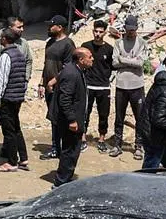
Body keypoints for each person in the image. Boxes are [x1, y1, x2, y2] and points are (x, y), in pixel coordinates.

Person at [0, 17, 32, 163]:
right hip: (6, 90)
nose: (21, 29)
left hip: (12, 92)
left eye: (22, 26)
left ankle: (10, 153)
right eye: (19, 27)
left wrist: (25, 78)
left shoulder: (23, 45)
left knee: (11, 124)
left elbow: (28, 61)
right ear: (10, 28)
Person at [137, 53, 166, 173]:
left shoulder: (164, 82)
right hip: (154, 135)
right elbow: (159, 119)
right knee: (150, 168)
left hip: (161, 135)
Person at [0, 27, 30, 172]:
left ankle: (12, 161)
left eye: (1, 37)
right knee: (16, 128)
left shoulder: (6, 56)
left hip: (7, 98)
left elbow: (2, 79)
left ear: (4, 39)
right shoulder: (20, 54)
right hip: (17, 97)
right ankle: (24, 158)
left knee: (8, 131)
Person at [52, 47, 91, 186]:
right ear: (81, 59)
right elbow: (65, 99)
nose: (92, 60)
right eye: (89, 57)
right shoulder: (71, 73)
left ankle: (65, 178)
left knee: (72, 150)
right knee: (70, 150)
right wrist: (72, 120)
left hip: (75, 118)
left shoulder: (76, 71)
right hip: (70, 121)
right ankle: (61, 182)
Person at [111, 15, 147, 159]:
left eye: (133, 30)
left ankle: (139, 146)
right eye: (128, 29)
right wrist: (132, 61)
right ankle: (117, 145)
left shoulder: (142, 43)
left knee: (140, 117)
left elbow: (140, 63)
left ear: (137, 29)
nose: (131, 32)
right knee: (119, 117)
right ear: (124, 28)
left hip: (137, 84)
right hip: (121, 84)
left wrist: (123, 59)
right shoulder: (118, 43)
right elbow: (114, 63)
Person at [40, 16, 75, 160]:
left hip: (60, 88)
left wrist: (53, 82)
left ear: (60, 27)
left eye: (51, 26)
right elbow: (46, 65)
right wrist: (42, 84)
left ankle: (62, 148)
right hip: (49, 88)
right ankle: (56, 147)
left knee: (60, 118)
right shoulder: (49, 43)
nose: (49, 28)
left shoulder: (68, 45)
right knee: (53, 118)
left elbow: (68, 67)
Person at [81, 19, 114, 147]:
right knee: (85, 112)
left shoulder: (109, 49)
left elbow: (113, 67)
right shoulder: (86, 46)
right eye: (96, 31)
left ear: (105, 33)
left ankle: (101, 139)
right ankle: (82, 138)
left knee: (103, 114)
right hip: (88, 85)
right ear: (92, 31)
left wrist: (107, 79)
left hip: (103, 86)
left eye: (100, 32)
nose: (98, 34)